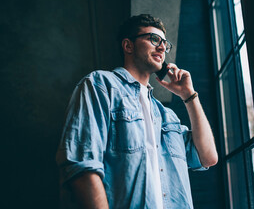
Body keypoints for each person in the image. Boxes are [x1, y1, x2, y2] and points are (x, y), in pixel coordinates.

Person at [56, 14, 218, 209]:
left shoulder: (167, 117)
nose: (162, 47)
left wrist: (189, 96)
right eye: (154, 39)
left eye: (165, 44)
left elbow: (208, 156)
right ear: (128, 46)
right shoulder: (101, 85)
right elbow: (82, 165)